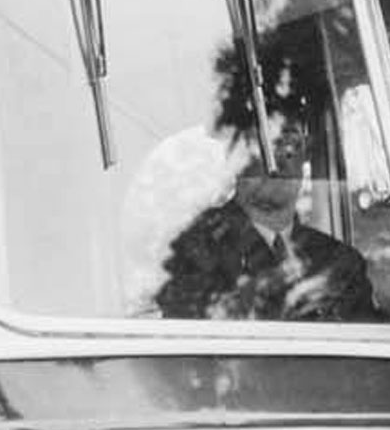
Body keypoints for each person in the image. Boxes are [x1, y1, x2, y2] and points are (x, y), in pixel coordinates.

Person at [155, 139, 377, 324]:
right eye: (263, 144)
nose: (277, 160)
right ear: (235, 161)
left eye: (290, 144)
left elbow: (368, 366)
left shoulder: (342, 263)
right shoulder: (193, 248)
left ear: (304, 159)